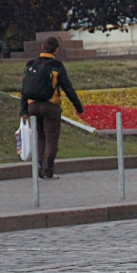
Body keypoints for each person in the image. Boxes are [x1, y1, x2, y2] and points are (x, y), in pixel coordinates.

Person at [19, 37, 84, 179]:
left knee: (40, 136)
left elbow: (24, 88)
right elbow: (68, 88)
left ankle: (39, 165)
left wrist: (23, 110)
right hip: (51, 106)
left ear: (42, 47)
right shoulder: (57, 66)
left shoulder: (31, 64)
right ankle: (47, 171)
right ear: (56, 50)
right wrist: (79, 108)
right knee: (51, 140)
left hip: (33, 106)